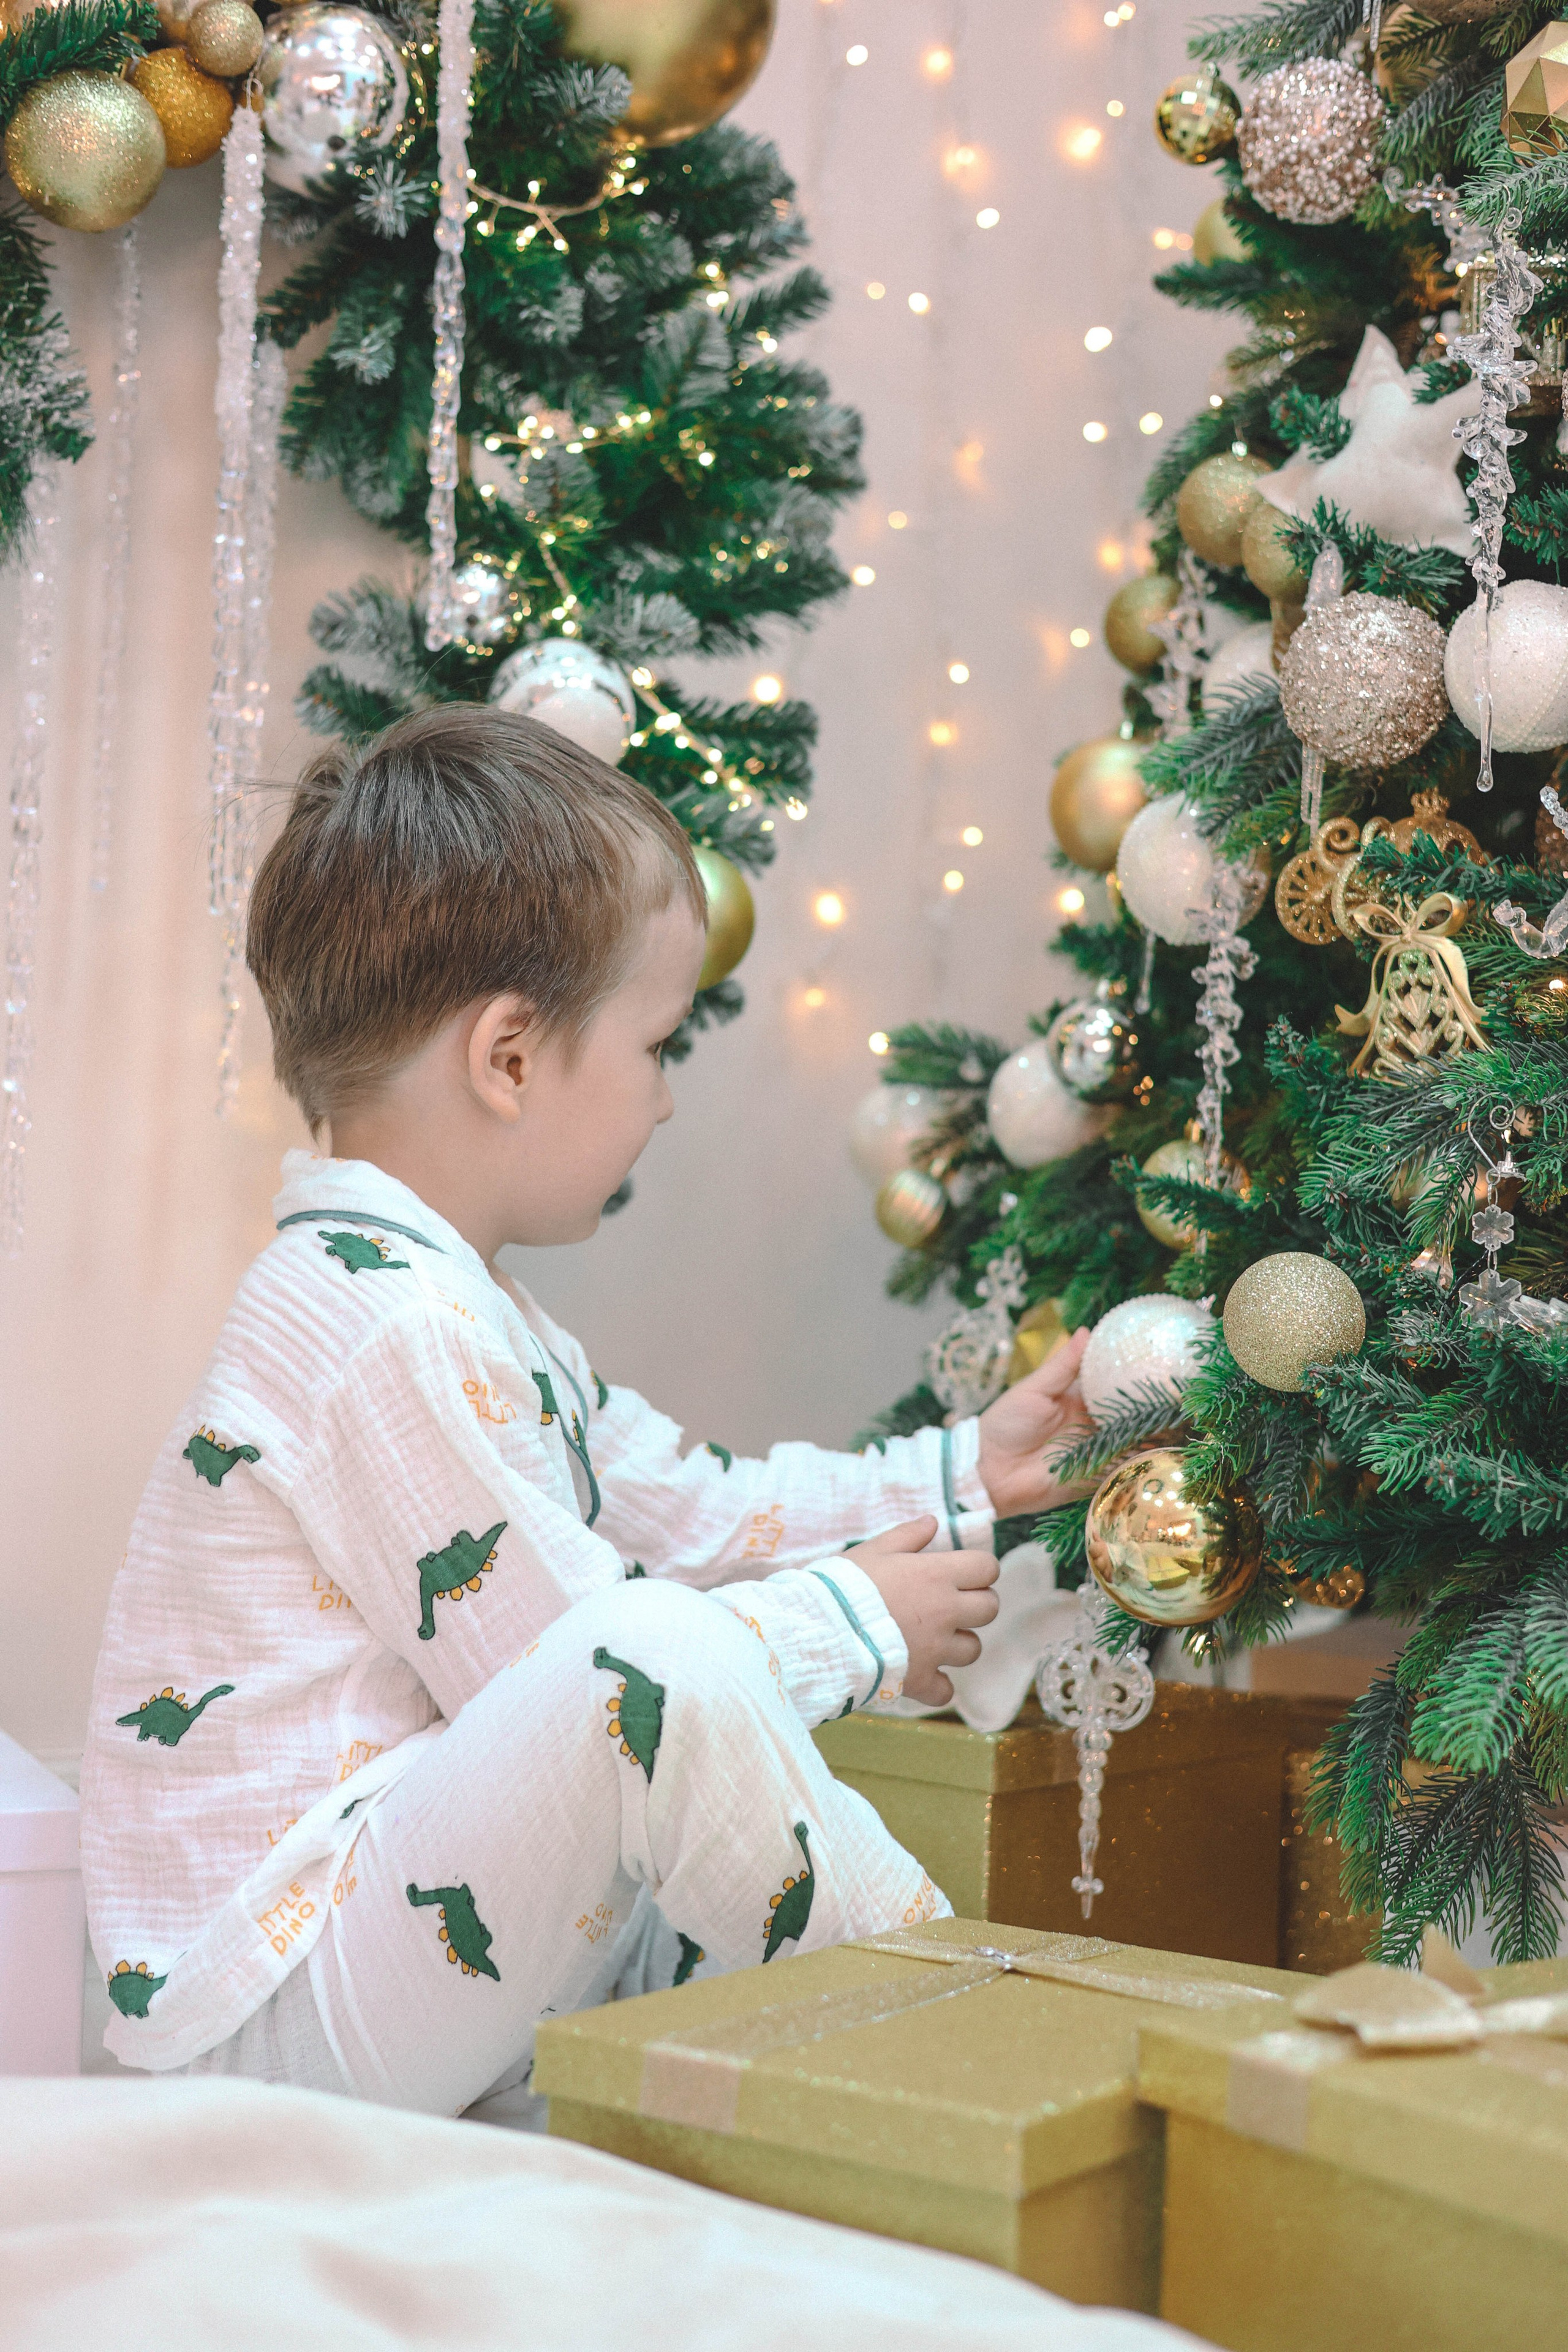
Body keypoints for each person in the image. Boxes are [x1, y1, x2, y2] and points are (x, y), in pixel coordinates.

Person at [80, 707, 1090, 2117]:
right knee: (652, 1660)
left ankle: (880, 2090)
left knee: (674, 1716)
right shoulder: (374, 1317)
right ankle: (968, 2073)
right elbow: (597, 1672)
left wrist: (965, 1472)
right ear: (507, 1056)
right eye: (658, 1045)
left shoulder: (470, 1310)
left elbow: (698, 1509)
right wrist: (850, 1626)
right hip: (270, 2003)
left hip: (387, 1948)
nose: (667, 1102)